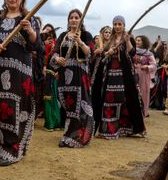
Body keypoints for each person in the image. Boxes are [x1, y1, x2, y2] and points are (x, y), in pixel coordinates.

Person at [0, 0, 40, 166]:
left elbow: (36, 46)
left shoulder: (29, 17)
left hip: (19, 74)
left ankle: (11, 149)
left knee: (12, 109)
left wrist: (30, 31)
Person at [91, 16, 145, 139]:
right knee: (109, 100)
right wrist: (108, 52)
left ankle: (126, 128)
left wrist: (127, 41)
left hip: (125, 75)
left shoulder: (128, 37)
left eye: (120, 24)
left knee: (125, 100)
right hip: (110, 75)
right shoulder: (110, 39)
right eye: (115, 24)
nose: (117, 26)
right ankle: (109, 130)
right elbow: (104, 55)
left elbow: (132, 53)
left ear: (124, 25)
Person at [50, 9, 94, 147]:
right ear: (68, 20)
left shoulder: (86, 35)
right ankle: (69, 132)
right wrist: (57, 58)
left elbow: (89, 53)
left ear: (81, 20)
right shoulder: (63, 35)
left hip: (79, 74)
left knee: (80, 105)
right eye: (71, 17)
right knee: (68, 104)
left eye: (76, 17)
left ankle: (77, 135)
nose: (74, 20)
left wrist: (80, 41)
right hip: (64, 74)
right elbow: (55, 52)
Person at [41, 24, 61, 131]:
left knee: (52, 96)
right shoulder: (42, 42)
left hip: (53, 71)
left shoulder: (57, 42)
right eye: (46, 30)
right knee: (48, 96)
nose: (48, 32)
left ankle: (53, 123)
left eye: (50, 30)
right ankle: (51, 122)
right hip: (47, 71)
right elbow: (42, 54)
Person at [133, 35, 156, 117]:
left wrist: (147, 67)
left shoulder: (149, 53)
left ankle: (144, 112)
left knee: (144, 93)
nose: (137, 42)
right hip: (134, 74)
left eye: (139, 40)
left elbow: (154, 65)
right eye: (136, 40)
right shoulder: (132, 51)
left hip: (144, 74)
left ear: (143, 42)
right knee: (134, 92)